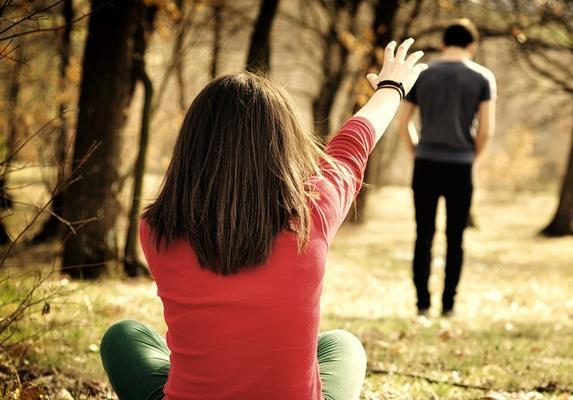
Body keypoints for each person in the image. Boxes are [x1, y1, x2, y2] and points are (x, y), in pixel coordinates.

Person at [99, 39, 427, 400]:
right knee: (342, 345)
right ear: (283, 146)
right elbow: (353, 144)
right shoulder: (312, 214)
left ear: (191, 146)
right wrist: (392, 87)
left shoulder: (156, 231)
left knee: (123, 337)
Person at [396, 19, 497, 317]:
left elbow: (403, 121)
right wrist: (472, 156)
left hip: (426, 163)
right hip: (461, 166)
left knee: (423, 234)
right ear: (472, 46)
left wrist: (415, 150)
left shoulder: (423, 74)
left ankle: (422, 305)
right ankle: (449, 305)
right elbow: (487, 129)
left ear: (443, 43)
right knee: (456, 237)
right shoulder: (482, 77)